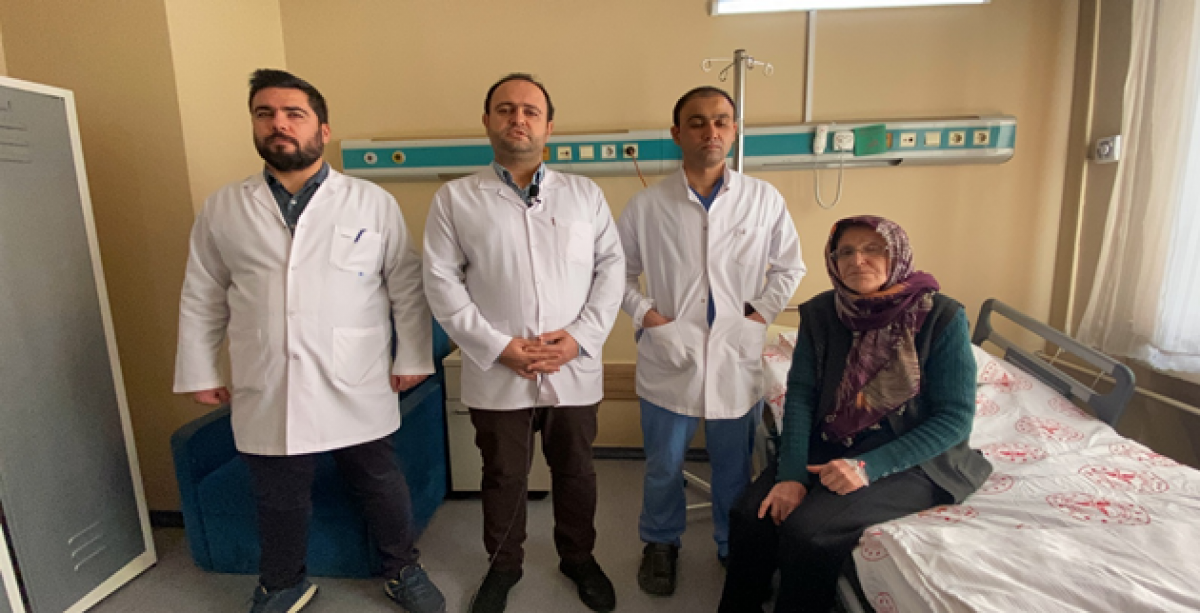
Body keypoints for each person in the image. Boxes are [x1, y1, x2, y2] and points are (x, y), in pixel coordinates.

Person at [173, 69, 445, 613]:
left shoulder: (371, 202)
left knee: (380, 482)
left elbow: (406, 288)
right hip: (268, 373)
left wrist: (413, 356)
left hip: (356, 371)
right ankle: (282, 583)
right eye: (265, 114)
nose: (279, 124)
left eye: (293, 114)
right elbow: (202, 293)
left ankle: (402, 570)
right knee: (277, 494)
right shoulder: (224, 207)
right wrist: (201, 370)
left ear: (322, 129)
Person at [422, 73, 624, 613]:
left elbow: (611, 270)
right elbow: (441, 283)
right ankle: (503, 566)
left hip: (571, 366)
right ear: (486, 121)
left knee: (576, 471)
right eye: (506, 109)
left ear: (549, 126)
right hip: (498, 367)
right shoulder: (455, 199)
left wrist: (579, 339)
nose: (518, 119)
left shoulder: (585, 195)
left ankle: (579, 558)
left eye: (531, 111)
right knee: (503, 476)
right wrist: (497, 346)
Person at [719, 215, 992, 613]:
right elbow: (802, 396)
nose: (857, 260)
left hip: (912, 456)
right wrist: (791, 475)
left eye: (872, 249)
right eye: (845, 252)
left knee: (809, 532)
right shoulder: (821, 313)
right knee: (751, 515)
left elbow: (954, 418)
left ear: (897, 254)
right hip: (833, 438)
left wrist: (867, 466)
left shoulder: (941, 316)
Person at [616, 86, 805, 596]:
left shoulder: (763, 200)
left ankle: (731, 542)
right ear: (677, 133)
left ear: (735, 130)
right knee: (663, 465)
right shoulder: (647, 205)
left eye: (721, 120)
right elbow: (615, 274)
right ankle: (660, 541)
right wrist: (649, 317)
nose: (710, 131)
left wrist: (759, 315)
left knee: (734, 467)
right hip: (670, 355)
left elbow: (790, 267)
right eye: (697, 122)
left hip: (735, 357)